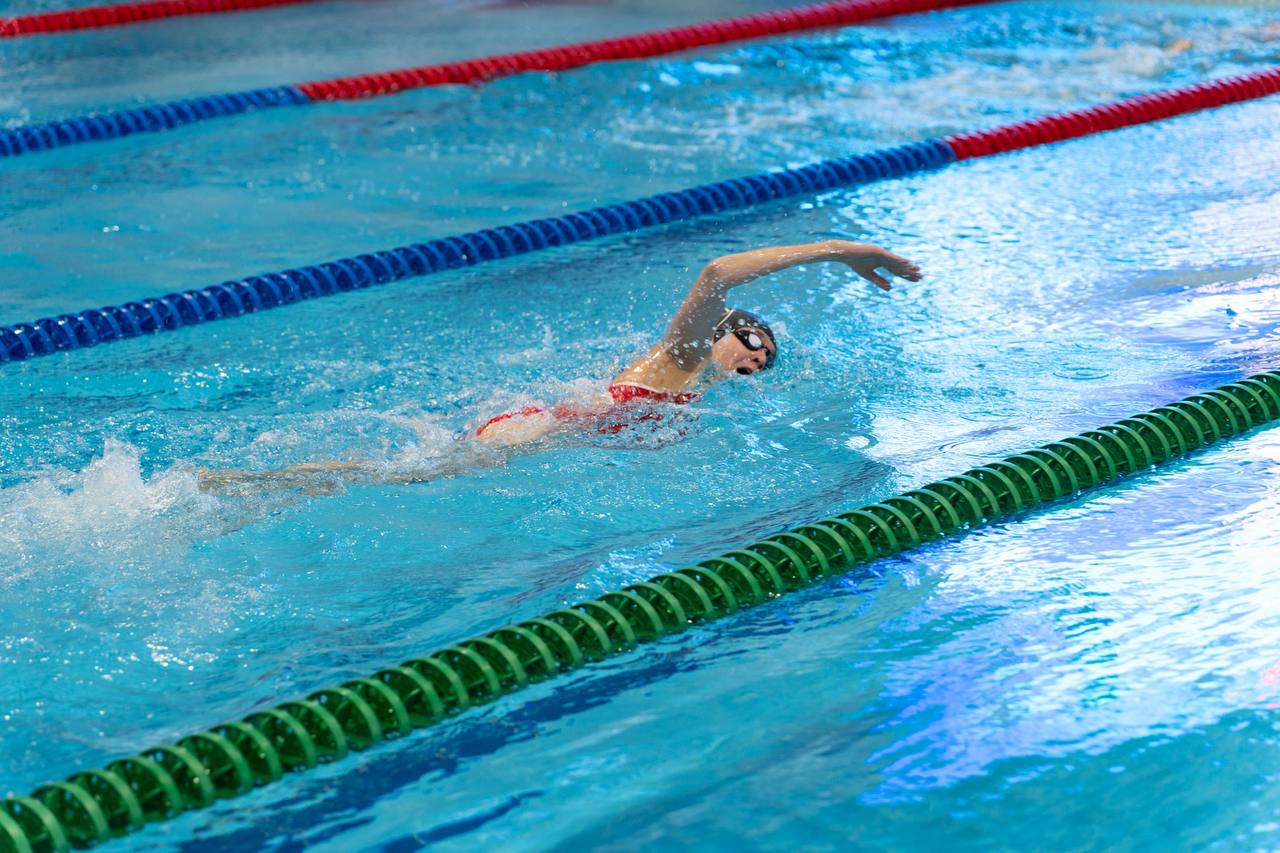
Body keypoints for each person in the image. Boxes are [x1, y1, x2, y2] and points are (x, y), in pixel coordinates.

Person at [197, 239, 921, 491]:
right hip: (532, 435)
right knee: (381, 474)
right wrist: (832, 250)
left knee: (395, 470)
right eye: (751, 339)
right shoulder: (681, 357)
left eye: (766, 357)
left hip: (545, 439)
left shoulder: (698, 385)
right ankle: (233, 482)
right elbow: (717, 273)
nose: (758, 355)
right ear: (721, 336)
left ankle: (245, 482)